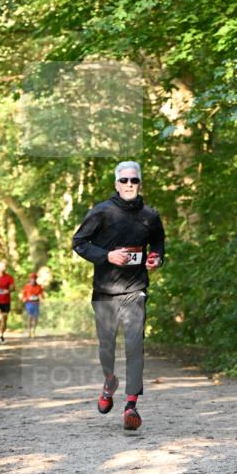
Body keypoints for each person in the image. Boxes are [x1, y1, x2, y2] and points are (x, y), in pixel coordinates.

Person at [72, 161, 165, 431]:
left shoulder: (150, 216)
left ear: (140, 184)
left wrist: (156, 258)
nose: (129, 185)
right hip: (105, 291)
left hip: (135, 290)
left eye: (133, 181)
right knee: (107, 347)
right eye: (124, 181)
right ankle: (109, 382)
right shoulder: (102, 212)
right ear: (116, 183)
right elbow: (79, 242)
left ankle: (131, 404)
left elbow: (158, 242)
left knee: (135, 345)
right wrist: (107, 256)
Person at [0, 260, 15, 343]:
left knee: (4, 318)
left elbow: (13, 288)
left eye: (4, 267)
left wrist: (8, 290)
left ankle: (2, 336)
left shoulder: (9, 277)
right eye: (1, 266)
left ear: (5, 268)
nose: (2, 268)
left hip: (6, 301)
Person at [21, 272, 44, 338]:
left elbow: (41, 295)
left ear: (36, 279)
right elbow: (23, 295)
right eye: (32, 278)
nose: (33, 280)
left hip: (36, 303)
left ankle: (34, 331)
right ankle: (29, 331)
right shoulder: (26, 286)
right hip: (29, 303)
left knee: (35, 318)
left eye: (34, 278)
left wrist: (40, 297)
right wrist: (24, 298)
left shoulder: (39, 287)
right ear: (30, 279)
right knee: (30, 317)